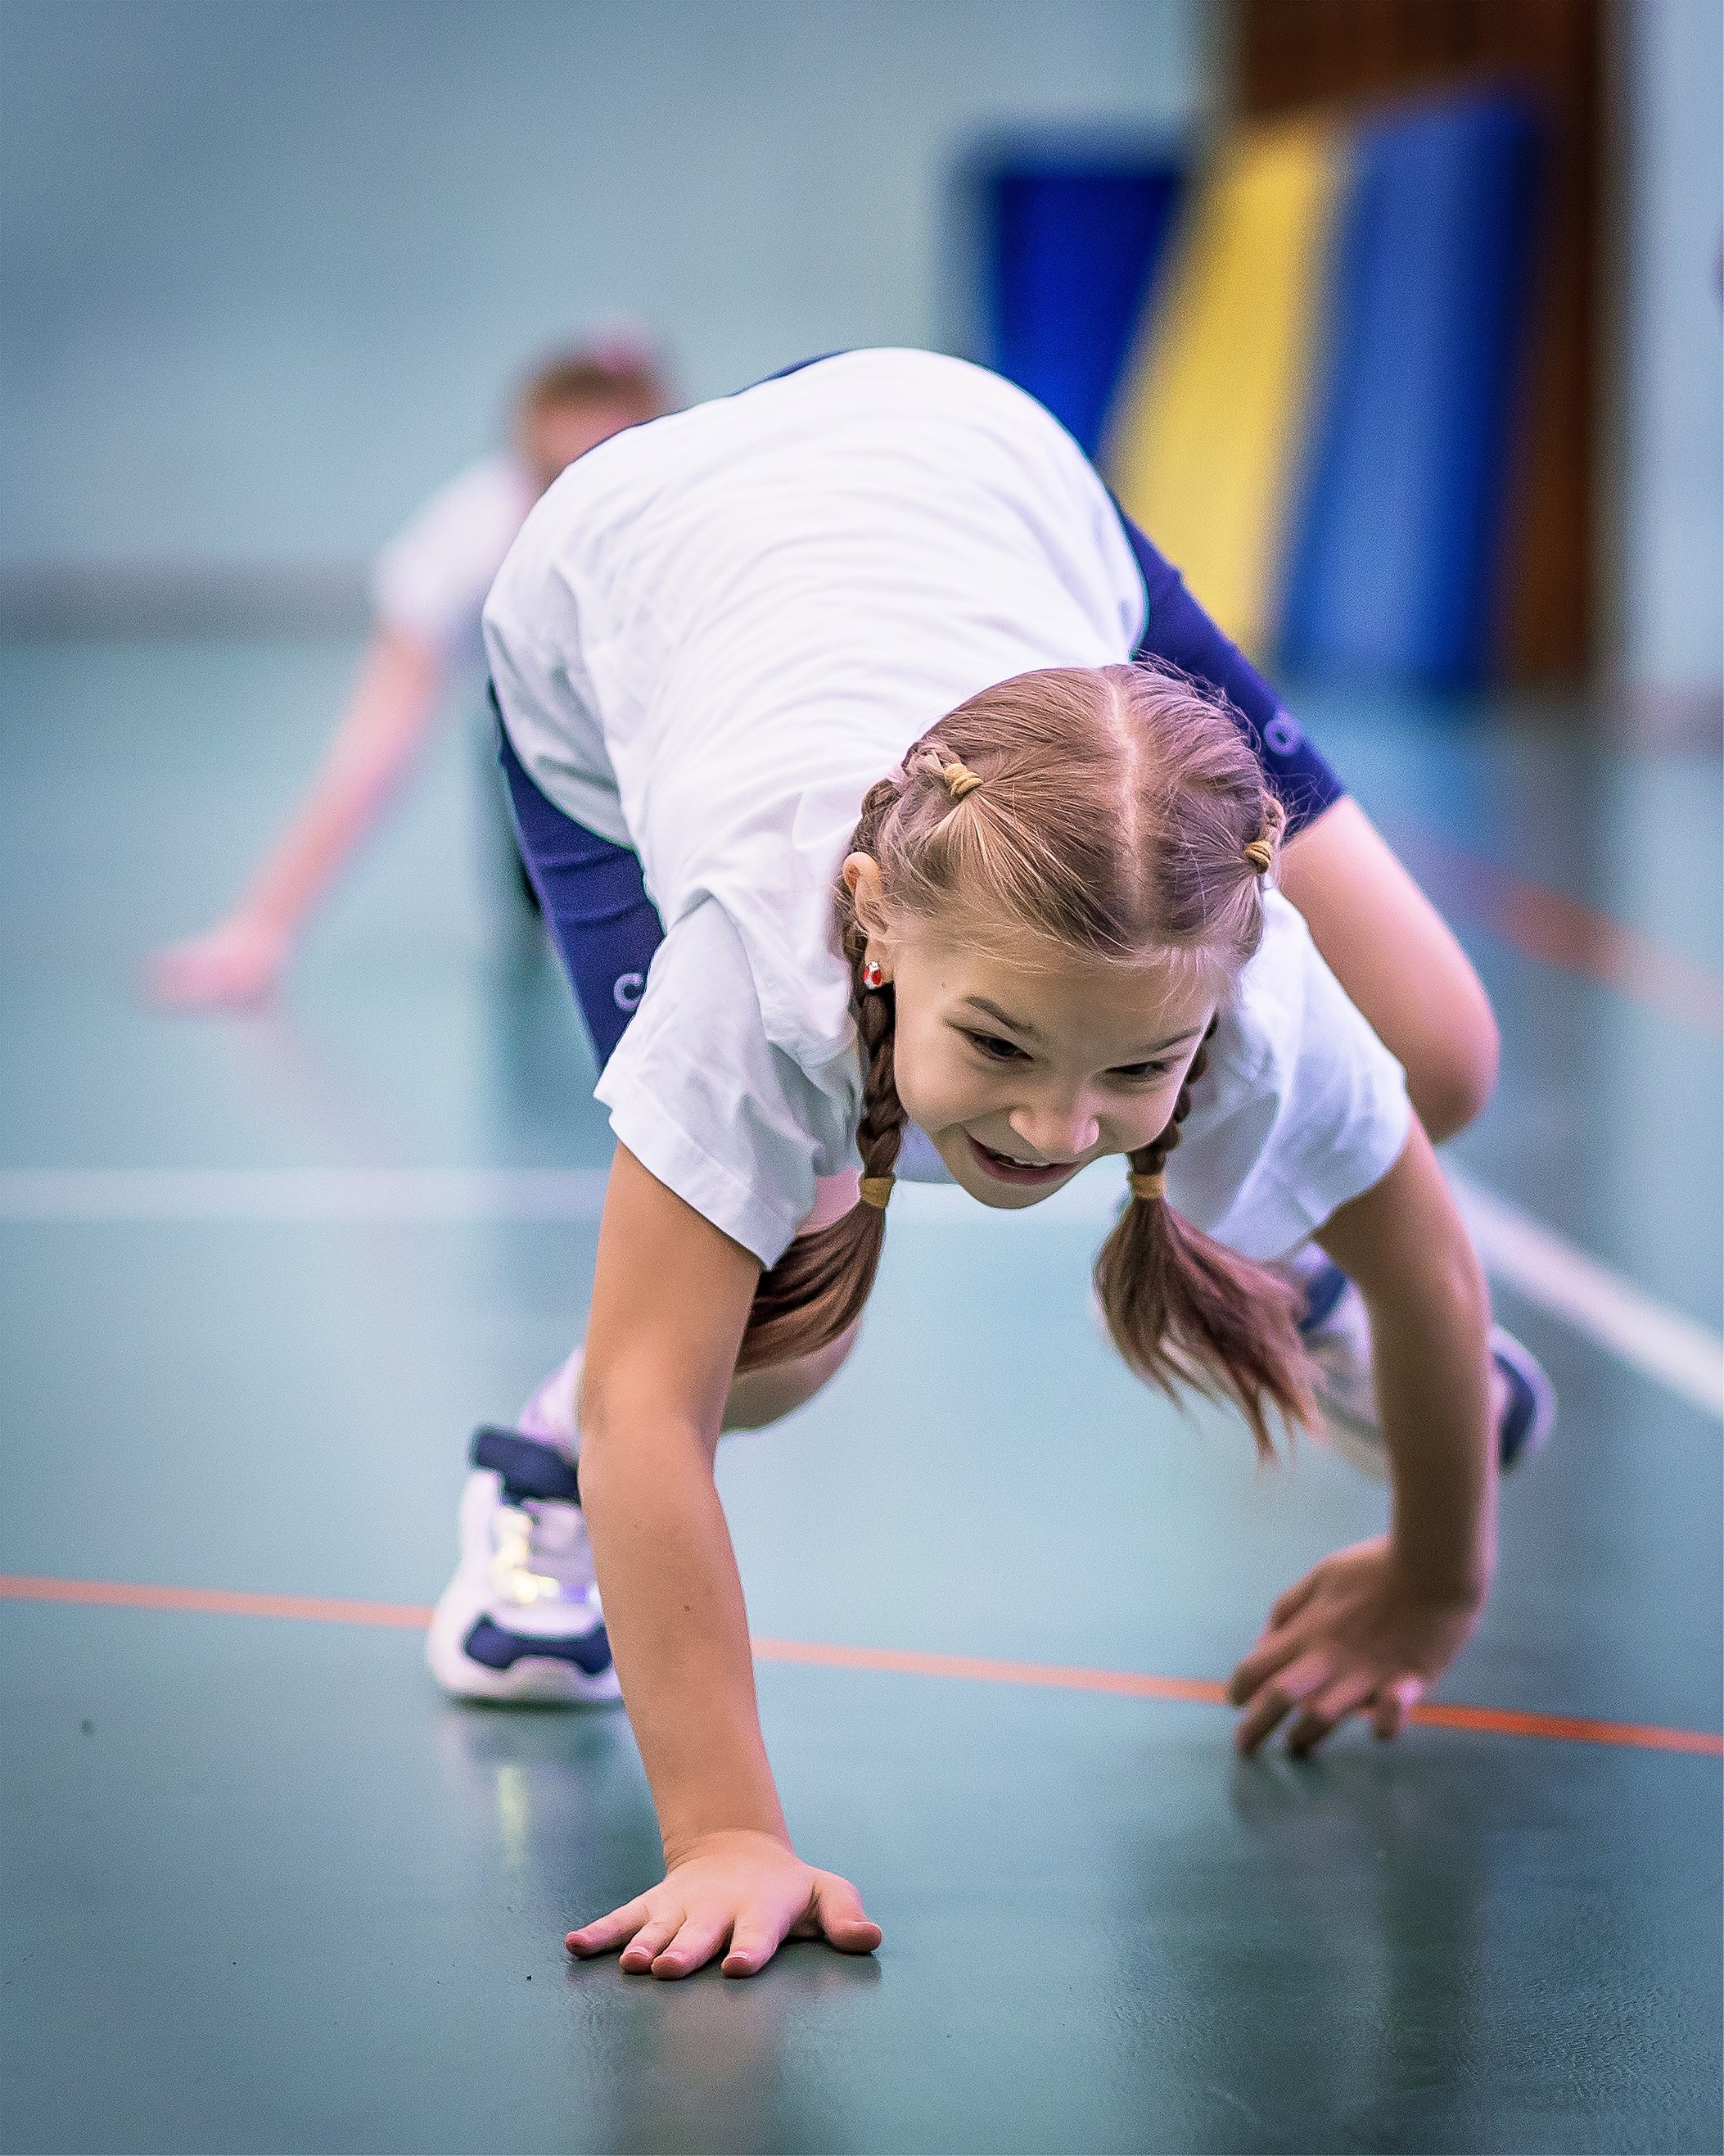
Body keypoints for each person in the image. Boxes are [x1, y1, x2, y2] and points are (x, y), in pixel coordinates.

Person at [425, 349, 1553, 1981]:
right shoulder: (763, 970)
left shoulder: (1254, 979)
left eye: (1139, 1064)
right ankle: (531, 1472)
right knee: (771, 1331)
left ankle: (1274, 1262)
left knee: (1437, 1052)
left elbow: (1434, 1256)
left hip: (971, 463)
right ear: (876, 922)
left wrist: (1435, 1577)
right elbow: (649, 1411)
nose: (1055, 1129)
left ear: (1229, 982)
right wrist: (727, 1829)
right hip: (617, 599)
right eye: (1005, 1042)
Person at [147, 341, 670, 1009]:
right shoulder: (465, 543)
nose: (579, 504)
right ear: (523, 471)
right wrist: (261, 926)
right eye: (555, 476)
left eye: (605, 476)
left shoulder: (687, 529)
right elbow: (373, 742)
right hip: (536, 745)